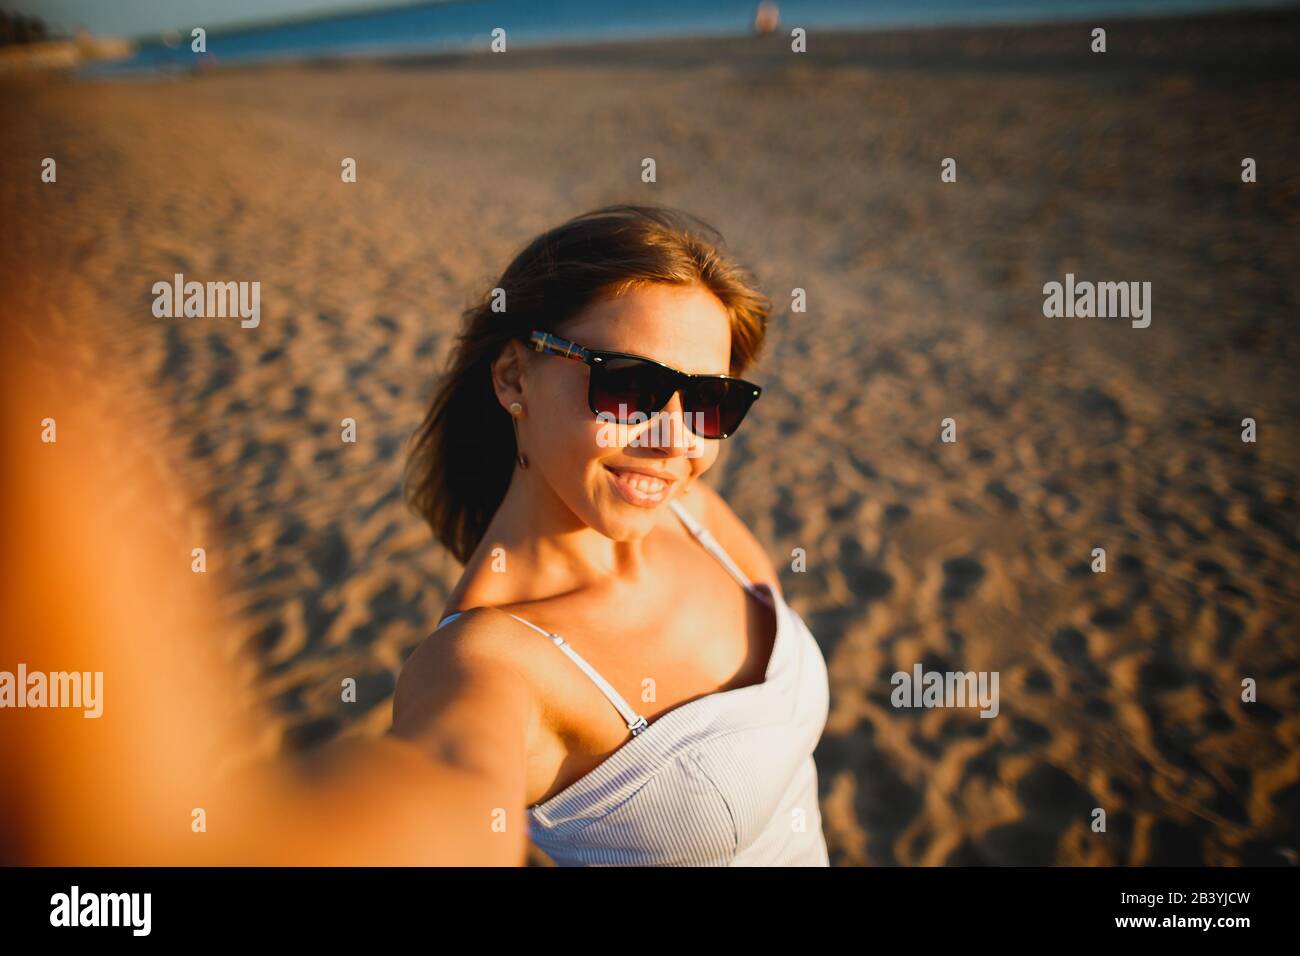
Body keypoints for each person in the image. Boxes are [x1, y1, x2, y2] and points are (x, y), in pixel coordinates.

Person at [390, 204, 830, 865]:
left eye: (711, 403)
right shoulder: (484, 663)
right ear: (514, 377)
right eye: (630, 387)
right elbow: (435, 814)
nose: (677, 443)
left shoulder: (697, 516)